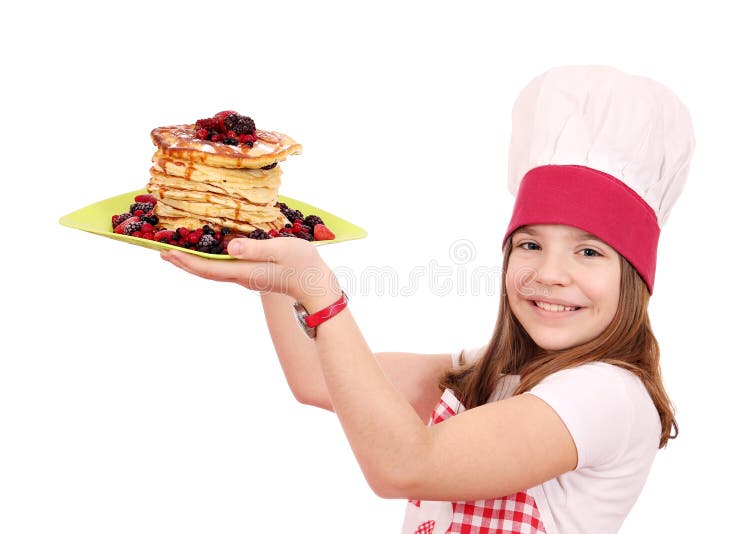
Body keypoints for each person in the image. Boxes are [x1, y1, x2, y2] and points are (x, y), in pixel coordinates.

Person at [160, 65, 695, 534]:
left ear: (635, 277)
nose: (550, 274)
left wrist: (319, 290)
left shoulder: (607, 394)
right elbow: (318, 378)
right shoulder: (493, 372)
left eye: (589, 252)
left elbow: (406, 467)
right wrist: (265, 241)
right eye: (530, 245)